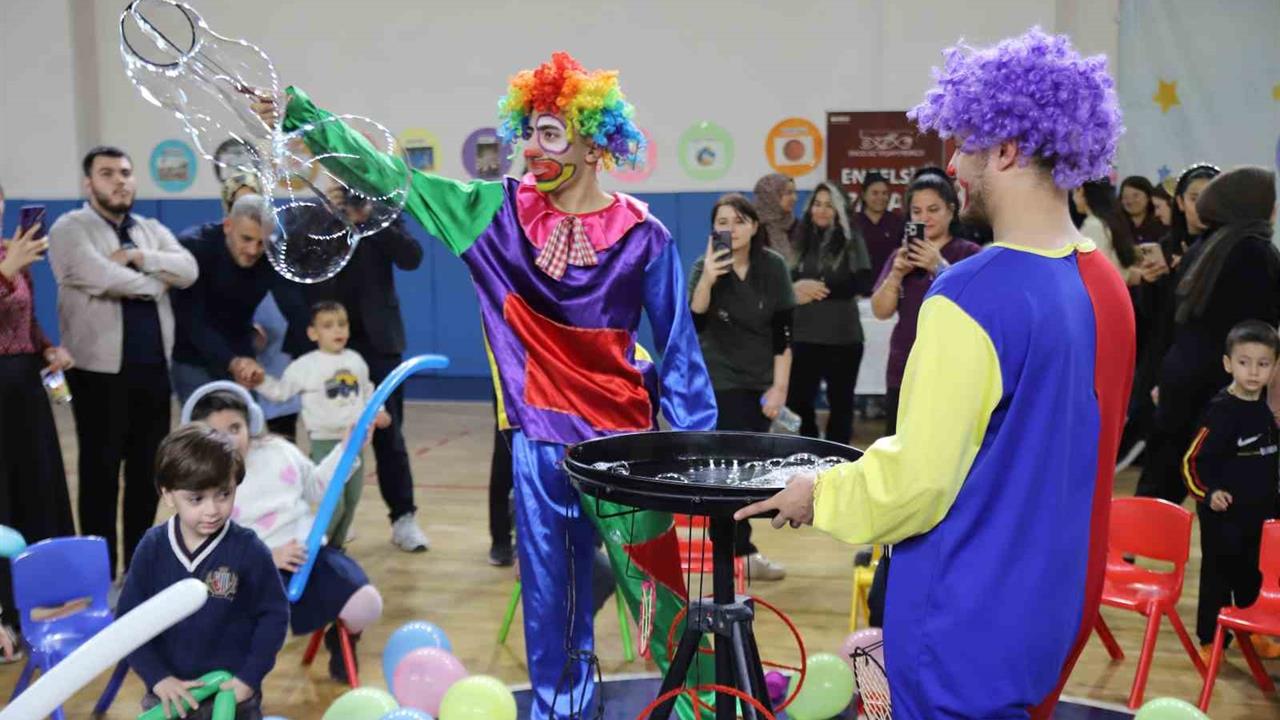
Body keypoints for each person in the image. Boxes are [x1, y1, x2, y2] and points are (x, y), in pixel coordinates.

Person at [259, 52, 716, 719]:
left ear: (595, 144)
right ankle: (563, 711)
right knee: (552, 606)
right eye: (526, 132)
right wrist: (306, 119)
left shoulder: (643, 235)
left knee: (661, 595)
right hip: (537, 446)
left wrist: (689, 456)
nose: (532, 150)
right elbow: (389, 179)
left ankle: (702, 705)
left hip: (625, 449)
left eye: (551, 133)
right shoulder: (490, 213)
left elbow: (678, 350)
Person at [736, 29, 1133, 719]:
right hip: (1056, 604)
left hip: (964, 619)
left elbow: (916, 484)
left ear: (1006, 148)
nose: (952, 164)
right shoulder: (1104, 286)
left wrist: (817, 493)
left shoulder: (972, 296)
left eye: (964, 145)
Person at [48, 146, 198, 581]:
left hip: (152, 370)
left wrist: (140, 258)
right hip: (96, 373)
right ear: (88, 184)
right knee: (99, 475)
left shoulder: (150, 229)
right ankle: (97, 575)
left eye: (126, 173)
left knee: (145, 476)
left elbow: (187, 269)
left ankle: (135, 569)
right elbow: (98, 275)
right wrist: (155, 285)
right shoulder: (70, 228)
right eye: (107, 173)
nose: (120, 181)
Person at [183, 383, 385, 682]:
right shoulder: (198, 483)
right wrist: (267, 557)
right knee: (244, 635)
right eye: (215, 432)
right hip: (251, 575)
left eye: (235, 427)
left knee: (367, 603)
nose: (227, 439)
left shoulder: (278, 451)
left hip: (309, 555)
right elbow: (208, 551)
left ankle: (342, 638)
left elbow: (318, 486)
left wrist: (346, 449)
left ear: (250, 424)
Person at [281, 186, 430, 554]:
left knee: (389, 435)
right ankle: (332, 518)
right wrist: (328, 213)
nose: (346, 188)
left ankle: (403, 518)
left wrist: (369, 218)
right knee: (328, 435)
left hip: (378, 345)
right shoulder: (310, 211)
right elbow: (290, 260)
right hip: (325, 343)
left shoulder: (380, 207)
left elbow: (412, 256)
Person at [117, 423, 288, 720]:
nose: (212, 510)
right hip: (169, 695)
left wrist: (249, 677)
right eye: (196, 499)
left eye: (224, 494)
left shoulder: (248, 549)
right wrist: (157, 678)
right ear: (168, 495)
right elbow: (129, 623)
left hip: (232, 694)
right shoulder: (153, 548)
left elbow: (274, 615)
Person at [689, 193, 795, 580]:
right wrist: (709, 280)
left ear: (753, 226)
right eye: (722, 222)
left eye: (738, 221)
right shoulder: (705, 267)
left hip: (761, 378)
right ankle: (740, 551)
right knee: (735, 465)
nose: (729, 229)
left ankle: (734, 546)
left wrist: (779, 388)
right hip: (721, 377)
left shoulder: (773, 267)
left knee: (752, 467)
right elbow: (693, 325)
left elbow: (783, 334)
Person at [0, 183, 76, 654]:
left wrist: (48, 347)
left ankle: (41, 606)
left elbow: (24, 320)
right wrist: (7, 271)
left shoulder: (12, 249)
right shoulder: (10, 257)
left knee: (36, 489)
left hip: (24, 387)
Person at [253, 301, 390, 550]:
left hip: (355, 443)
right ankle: (314, 549)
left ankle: (336, 551)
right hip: (325, 443)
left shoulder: (356, 360)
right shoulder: (304, 366)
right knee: (332, 503)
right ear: (313, 333)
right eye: (328, 326)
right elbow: (280, 392)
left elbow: (368, 392)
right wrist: (260, 380)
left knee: (351, 500)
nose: (337, 331)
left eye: (342, 324)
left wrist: (380, 411)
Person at [1182, 321, 1280, 661]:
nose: (1253, 371)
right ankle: (1211, 640)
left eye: (1263, 364)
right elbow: (1191, 462)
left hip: (1260, 515)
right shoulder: (1220, 411)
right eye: (1244, 362)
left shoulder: (1265, 410)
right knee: (1218, 579)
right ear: (1228, 364)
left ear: (1273, 366)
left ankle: (1249, 634)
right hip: (1224, 519)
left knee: (1253, 577)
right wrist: (1209, 494)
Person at [869, 173, 981, 434]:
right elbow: (880, 311)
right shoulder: (901, 255)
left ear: (951, 211)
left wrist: (939, 267)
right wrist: (896, 274)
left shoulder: (969, 254)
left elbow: (978, 305)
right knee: (898, 444)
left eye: (933, 210)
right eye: (916, 211)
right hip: (905, 364)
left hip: (951, 365)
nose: (924, 218)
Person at [786, 181, 873, 444]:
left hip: (843, 336)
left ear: (839, 210)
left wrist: (818, 289)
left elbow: (863, 282)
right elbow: (785, 280)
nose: (822, 210)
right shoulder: (798, 238)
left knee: (841, 405)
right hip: (804, 334)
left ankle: (838, 460)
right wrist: (797, 289)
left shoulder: (852, 239)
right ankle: (808, 451)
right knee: (799, 401)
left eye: (829, 205)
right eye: (818, 204)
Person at [170, 193, 279, 401]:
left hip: (241, 351)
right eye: (246, 239)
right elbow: (191, 318)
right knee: (204, 429)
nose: (253, 250)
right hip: (193, 355)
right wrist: (233, 362)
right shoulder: (194, 247)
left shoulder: (271, 255)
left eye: (261, 242)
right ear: (227, 225)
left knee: (246, 426)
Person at [1071, 179, 1138, 277]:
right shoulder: (1110, 221)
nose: (1072, 198)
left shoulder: (1094, 225)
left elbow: (1090, 271)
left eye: (1073, 192)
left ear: (1080, 190)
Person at [853, 172, 905, 276]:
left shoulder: (897, 222)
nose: (880, 197)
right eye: (875, 193)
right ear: (863, 195)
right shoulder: (853, 223)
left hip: (891, 284)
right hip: (859, 288)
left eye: (884, 193)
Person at [753, 173, 799, 263]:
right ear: (770, 196)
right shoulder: (754, 229)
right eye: (789, 193)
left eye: (794, 192)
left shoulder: (797, 226)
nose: (795, 198)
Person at [1120, 175, 1165, 245]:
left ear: (1148, 197)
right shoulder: (1116, 225)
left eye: (1136, 196)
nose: (1130, 201)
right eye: (1125, 197)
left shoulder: (1162, 222)